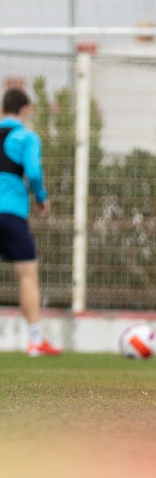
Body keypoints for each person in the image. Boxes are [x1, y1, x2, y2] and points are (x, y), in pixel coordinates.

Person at [0, 87, 60, 357]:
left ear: (3, 109)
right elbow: (34, 172)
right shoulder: (26, 136)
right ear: (25, 110)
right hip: (11, 213)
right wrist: (42, 198)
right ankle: (35, 341)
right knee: (27, 275)